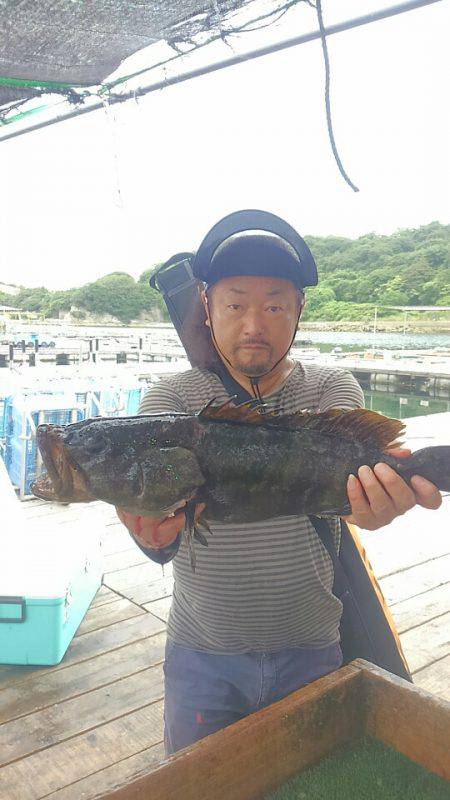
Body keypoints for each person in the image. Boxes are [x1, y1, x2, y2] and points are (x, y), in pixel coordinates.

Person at [116, 212, 441, 756]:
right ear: (206, 305)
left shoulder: (331, 388)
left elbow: (350, 495)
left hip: (310, 644)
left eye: (273, 305)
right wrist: (152, 534)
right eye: (235, 303)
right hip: (203, 654)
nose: (253, 325)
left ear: (299, 310)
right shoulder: (170, 405)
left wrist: (371, 508)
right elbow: (163, 536)